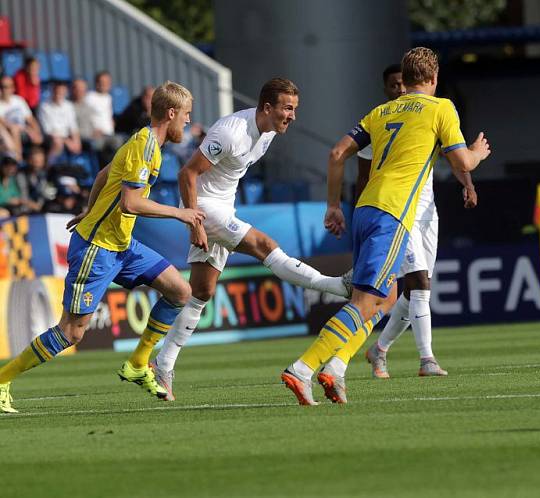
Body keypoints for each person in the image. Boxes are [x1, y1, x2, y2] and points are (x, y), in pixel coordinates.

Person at [281, 47, 490, 405]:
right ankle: (303, 369)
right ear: (434, 79)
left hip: (364, 207)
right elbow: (461, 160)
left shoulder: (381, 111)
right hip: (393, 213)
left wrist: (333, 205)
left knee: (381, 299)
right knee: (366, 302)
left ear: (403, 81)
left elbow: (336, 154)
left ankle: (336, 366)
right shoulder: (441, 107)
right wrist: (478, 152)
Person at [0, 81, 206, 413]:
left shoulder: (142, 141)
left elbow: (102, 174)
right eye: (186, 115)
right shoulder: (145, 148)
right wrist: (180, 213)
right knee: (71, 332)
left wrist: (88, 209)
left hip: (122, 244)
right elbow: (130, 203)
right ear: (171, 113)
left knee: (180, 291)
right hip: (97, 248)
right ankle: (1, 380)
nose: (187, 121)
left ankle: (138, 364)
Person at [151, 78, 352, 401]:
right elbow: (186, 174)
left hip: (221, 207)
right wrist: (193, 222)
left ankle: (163, 364)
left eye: (295, 109)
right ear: (267, 107)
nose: (292, 116)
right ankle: (338, 286)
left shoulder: (269, 132)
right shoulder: (231, 132)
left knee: (202, 292)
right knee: (265, 246)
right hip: (202, 208)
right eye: (288, 108)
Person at [360, 64, 478, 378]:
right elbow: (362, 174)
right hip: (398, 210)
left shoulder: (429, 114)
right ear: (387, 88)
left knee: (414, 292)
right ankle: (427, 360)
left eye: (403, 83)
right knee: (420, 284)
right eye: (394, 85)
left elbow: (452, 153)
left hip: (427, 211)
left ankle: (379, 350)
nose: (400, 89)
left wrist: (467, 184)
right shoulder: (381, 120)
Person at [37, 81, 82, 160]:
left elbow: (73, 126)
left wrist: (76, 141)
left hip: (66, 137)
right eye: (57, 91)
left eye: (62, 92)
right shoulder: (44, 106)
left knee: (78, 144)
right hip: (51, 138)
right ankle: (49, 167)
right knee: (57, 142)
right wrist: (66, 141)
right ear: (53, 91)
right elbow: (48, 131)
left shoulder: (69, 106)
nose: (59, 94)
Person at [0, 75, 43, 157]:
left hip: (24, 131)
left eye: (7, 87)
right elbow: (4, 123)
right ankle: (18, 159)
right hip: (9, 132)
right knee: (14, 130)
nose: (4, 90)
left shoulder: (19, 100)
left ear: (13, 88)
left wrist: (37, 131)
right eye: (2, 86)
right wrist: (27, 129)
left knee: (39, 138)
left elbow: (30, 119)